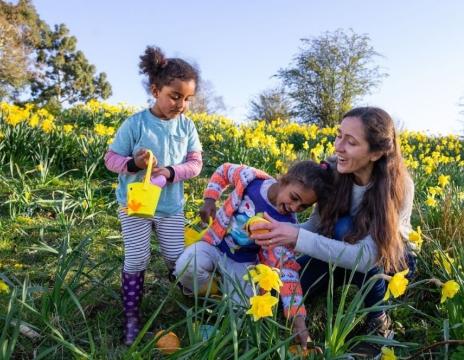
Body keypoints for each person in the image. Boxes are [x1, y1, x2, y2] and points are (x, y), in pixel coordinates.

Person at [251, 106, 416, 340]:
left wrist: (295, 237)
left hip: (387, 262)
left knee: (345, 228)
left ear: (376, 153)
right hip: (340, 253)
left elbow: (366, 258)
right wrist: (275, 232)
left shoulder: (398, 186)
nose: (338, 146)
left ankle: (379, 321)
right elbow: (313, 229)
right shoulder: (335, 173)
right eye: (339, 135)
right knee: (279, 302)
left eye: (351, 142)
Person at [175, 161, 334, 349]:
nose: (294, 207)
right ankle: (210, 292)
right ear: (285, 180)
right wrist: (210, 199)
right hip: (215, 244)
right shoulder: (251, 179)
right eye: (294, 197)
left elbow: (287, 270)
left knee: (243, 311)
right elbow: (224, 170)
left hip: (243, 264)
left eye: (302, 207)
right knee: (185, 268)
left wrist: (298, 319)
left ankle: (218, 305)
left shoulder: (284, 224)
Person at [104, 46, 203, 345]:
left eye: (187, 99)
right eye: (175, 96)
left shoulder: (186, 126)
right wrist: (135, 163)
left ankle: (192, 306)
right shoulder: (135, 124)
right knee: (137, 259)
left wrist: (170, 172)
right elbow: (111, 160)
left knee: (176, 258)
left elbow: (196, 164)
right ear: (155, 89)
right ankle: (132, 318)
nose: (181, 104)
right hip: (135, 205)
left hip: (171, 206)